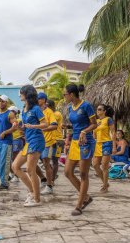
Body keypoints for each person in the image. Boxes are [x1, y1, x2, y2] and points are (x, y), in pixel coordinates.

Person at [63, 84, 97, 216]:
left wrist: (84, 131)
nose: (64, 97)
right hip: (75, 141)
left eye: (65, 94)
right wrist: (67, 127)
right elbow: (76, 124)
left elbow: (94, 124)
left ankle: (79, 205)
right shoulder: (71, 107)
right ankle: (86, 197)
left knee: (83, 174)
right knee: (67, 172)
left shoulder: (86, 106)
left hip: (86, 142)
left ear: (72, 94)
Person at [12, 85, 47, 207]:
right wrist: (19, 127)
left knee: (31, 170)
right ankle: (32, 191)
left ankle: (37, 199)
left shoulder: (36, 109)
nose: (20, 94)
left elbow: (45, 124)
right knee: (15, 166)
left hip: (36, 140)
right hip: (28, 141)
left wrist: (33, 126)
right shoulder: (24, 109)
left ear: (27, 94)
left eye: (21, 92)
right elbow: (25, 127)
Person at [0, 95, 18, 190]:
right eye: (0, 101)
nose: (1, 103)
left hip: (6, 141)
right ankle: (6, 176)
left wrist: (5, 132)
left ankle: (5, 183)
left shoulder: (10, 114)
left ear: (7, 103)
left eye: (3, 101)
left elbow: (15, 126)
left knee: (4, 162)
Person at [36, 92, 58, 195]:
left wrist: (43, 129)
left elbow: (54, 125)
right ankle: (44, 179)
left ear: (44, 100)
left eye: (39, 98)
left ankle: (49, 186)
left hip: (48, 142)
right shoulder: (36, 111)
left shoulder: (49, 112)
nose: (37, 100)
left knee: (46, 163)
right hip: (38, 142)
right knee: (32, 162)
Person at [92, 104, 116, 193]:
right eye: (97, 109)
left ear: (104, 111)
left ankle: (105, 186)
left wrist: (114, 146)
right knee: (95, 165)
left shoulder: (108, 120)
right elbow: (94, 135)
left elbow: (113, 133)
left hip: (107, 143)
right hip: (98, 144)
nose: (97, 111)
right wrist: (95, 126)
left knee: (104, 166)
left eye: (100, 109)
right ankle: (105, 183)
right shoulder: (96, 121)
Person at [47, 99, 64, 183]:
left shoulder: (56, 114)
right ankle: (52, 174)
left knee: (55, 161)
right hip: (51, 140)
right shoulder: (49, 114)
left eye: (47, 106)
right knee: (46, 159)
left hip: (58, 140)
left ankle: (52, 179)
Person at [9, 106, 23, 183]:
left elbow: (21, 130)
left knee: (15, 158)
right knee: (11, 158)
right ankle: (14, 174)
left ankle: (16, 176)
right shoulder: (10, 120)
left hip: (17, 139)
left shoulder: (19, 120)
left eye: (11, 111)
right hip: (12, 140)